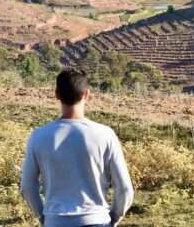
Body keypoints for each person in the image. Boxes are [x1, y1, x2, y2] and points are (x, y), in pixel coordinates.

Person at [20, 68, 134, 227]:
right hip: (97, 220)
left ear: (56, 94)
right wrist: (113, 218)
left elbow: (27, 187)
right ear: (87, 94)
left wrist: (45, 218)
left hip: (55, 221)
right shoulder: (105, 134)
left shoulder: (38, 136)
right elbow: (124, 189)